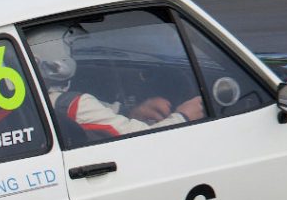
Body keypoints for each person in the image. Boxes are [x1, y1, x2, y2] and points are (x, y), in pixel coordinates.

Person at [25, 25, 204, 139]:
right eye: (71, 50)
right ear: (56, 63)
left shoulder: (40, 101)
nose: (76, 56)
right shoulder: (73, 104)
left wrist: (133, 113)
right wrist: (184, 116)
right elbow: (138, 138)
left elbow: (101, 117)